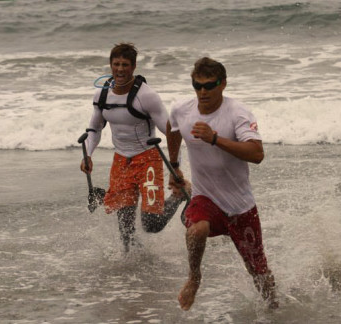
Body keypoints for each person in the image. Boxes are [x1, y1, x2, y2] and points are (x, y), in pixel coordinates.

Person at [166, 57, 278, 309]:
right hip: (206, 197)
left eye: (209, 85)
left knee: (259, 273)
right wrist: (174, 165)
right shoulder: (182, 109)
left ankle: (274, 309)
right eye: (197, 85)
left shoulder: (238, 112)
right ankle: (194, 277)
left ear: (223, 84)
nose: (202, 92)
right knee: (196, 230)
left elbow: (257, 154)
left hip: (240, 206)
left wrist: (215, 139)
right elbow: (172, 128)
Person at [81, 43, 188, 252]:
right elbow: (94, 129)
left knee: (151, 224)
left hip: (147, 158)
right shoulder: (101, 95)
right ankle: (134, 272)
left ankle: (178, 197)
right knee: (125, 229)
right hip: (121, 161)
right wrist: (88, 154)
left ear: (134, 67)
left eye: (125, 65)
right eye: (116, 64)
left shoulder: (146, 96)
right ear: (110, 65)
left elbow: (172, 133)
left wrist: (175, 167)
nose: (120, 69)